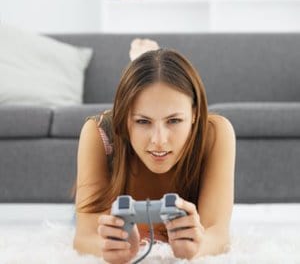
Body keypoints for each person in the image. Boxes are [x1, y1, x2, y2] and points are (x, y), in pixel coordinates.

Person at [73, 38, 236, 263]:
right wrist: (109, 246)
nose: (159, 141)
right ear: (124, 116)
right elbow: (83, 237)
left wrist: (198, 246)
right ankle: (144, 61)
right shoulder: (99, 134)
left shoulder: (215, 134)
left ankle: (145, 61)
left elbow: (218, 233)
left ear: (195, 114)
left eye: (174, 120)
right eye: (142, 121)